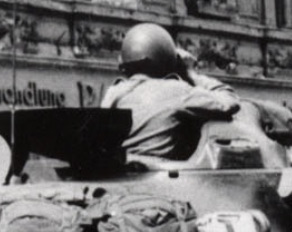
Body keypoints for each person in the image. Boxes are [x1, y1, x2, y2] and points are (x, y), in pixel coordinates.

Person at [100, 22, 241, 162]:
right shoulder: (176, 90)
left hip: (123, 173)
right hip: (158, 177)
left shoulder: (114, 92)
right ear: (167, 58)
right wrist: (189, 72)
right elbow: (229, 100)